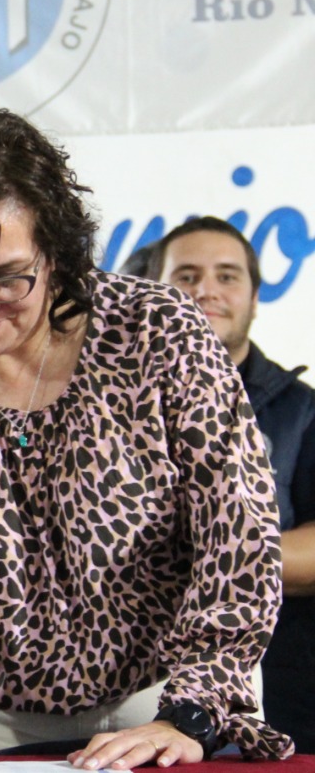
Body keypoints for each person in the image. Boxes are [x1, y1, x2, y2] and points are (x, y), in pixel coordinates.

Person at [0, 108, 290, 772]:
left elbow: (236, 533)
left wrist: (195, 708)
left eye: (8, 276)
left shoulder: (157, 337)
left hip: (164, 704)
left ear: (56, 252)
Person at [148, 216, 315, 753]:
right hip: (131, 687)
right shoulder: (102, 404)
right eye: (187, 276)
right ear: (152, 294)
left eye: (227, 275)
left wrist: (196, 562)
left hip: (280, 685)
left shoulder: (302, 411)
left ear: (255, 295)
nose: (206, 291)